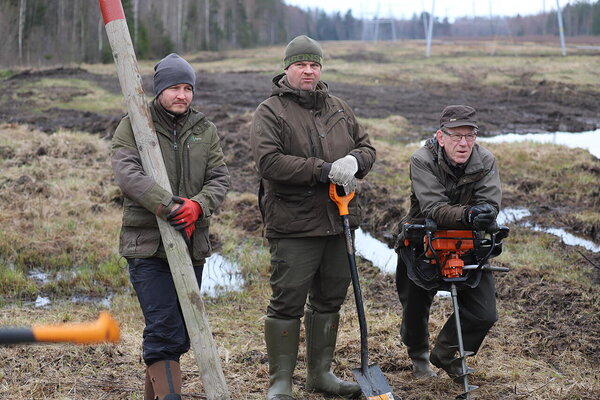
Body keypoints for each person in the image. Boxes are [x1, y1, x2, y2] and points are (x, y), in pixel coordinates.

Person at [250, 35, 376, 400]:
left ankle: (320, 375)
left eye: (314, 64)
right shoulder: (270, 111)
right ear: (287, 68)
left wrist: (355, 161)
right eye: (301, 64)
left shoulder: (338, 108)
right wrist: (322, 170)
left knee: (329, 300)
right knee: (287, 300)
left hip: (339, 221)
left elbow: (367, 148)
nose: (308, 70)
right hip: (293, 225)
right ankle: (280, 383)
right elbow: (268, 162)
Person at [111, 53, 230, 400]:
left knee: (179, 334)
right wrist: (169, 205)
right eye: (174, 88)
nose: (182, 95)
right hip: (147, 245)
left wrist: (198, 205)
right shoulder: (134, 124)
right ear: (159, 90)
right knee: (164, 328)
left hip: (192, 244)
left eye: (187, 88)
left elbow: (220, 178)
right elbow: (127, 174)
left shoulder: (204, 130)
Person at [394, 105, 501, 381]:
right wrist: (469, 214)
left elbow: (490, 202)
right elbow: (433, 207)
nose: (463, 143)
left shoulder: (486, 160)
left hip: (468, 242)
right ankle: (419, 360)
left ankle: (444, 353)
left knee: (484, 312)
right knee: (415, 307)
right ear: (441, 137)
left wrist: (488, 213)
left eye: (470, 135)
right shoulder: (422, 159)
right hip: (422, 239)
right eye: (456, 135)